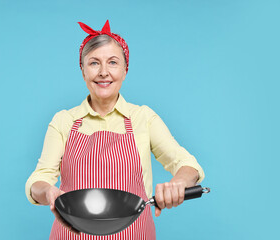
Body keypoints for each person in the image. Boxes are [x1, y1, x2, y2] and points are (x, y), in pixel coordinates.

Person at [25, 20, 205, 239]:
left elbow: (187, 165)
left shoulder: (143, 118)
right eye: (94, 63)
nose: (103, 72)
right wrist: (48, 192)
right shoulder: (64, 121)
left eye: (112, 62)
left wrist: (179, 183)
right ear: (82, 71)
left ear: (125, 70)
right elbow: (39, 180)